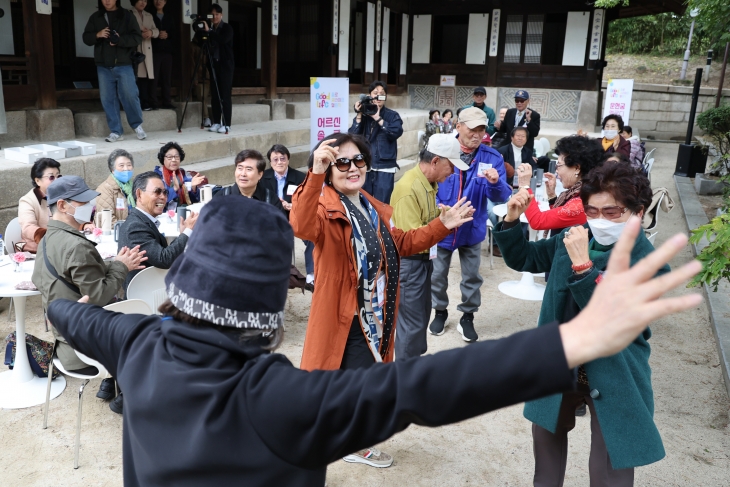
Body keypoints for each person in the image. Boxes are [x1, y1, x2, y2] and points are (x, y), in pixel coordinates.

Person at [46, 193, 702, 485]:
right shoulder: (275, 399)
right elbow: (420, 385)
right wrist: (576, 338)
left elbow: (75, 318)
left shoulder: (135, 344)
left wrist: (69, 307)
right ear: (267, 309)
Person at [290, 132, 474, 467]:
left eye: (358, 160)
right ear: (329, 171)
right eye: (340, 162)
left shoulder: (370, 205)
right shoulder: (325, 205)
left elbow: (401, 243)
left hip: (374, 314)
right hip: (344, 315)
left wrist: (441, 225)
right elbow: (301, 225)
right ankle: (352, 444)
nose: (351, 167)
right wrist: (315, 171)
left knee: (350, 381)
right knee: (362, 384)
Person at [494, 162, 664, 487]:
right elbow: (525, 259)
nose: (599, 219)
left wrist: (584, 266)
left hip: (615, 372)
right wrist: (512, 219)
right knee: (546, 449)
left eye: (612, 211)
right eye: (592, 210)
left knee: (610, 466)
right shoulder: (572, 238)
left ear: (637, 211)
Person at [31, 175, 146, 411]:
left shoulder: (47, 238)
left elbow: (47, 279)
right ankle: (132, 397)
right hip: (84, 348)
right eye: (83, 202)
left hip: (64, 339)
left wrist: (114, 264)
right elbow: (99, 295)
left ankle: (112, 385)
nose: (91, 206)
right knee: (145, 330)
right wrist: (122, 266)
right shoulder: (76, 245)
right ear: (62, 205)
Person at [429, 107, 512, 342]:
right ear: (458, 126)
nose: (477, 134)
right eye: (472, 128)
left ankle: (467, 316)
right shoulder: (441, 150)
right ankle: (440, 311)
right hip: (442, 225)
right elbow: (428, 182)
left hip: (472, 227)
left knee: (471, 276)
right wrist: (439, 209)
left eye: (481, 129)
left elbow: (501, 196)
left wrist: (495, 183)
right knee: (437, 275)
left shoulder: (492, 158)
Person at [390, 134, 469, 360]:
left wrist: (446, 215)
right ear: (435, 161)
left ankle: (413, 369)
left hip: (423, 263)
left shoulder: (428, 184)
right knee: (412, 324)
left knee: (421, 317)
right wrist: (443, 224)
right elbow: (409, 241)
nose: (452, 172)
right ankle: (404, 379)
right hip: (410, 264)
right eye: (450, 165)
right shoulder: (408, 188)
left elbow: (425, 221)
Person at [117, 171, 198, 291]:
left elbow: (161, 254)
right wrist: (188, 231)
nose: (163, 197)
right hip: (145, 297)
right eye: (157, 192)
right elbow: (164, 259)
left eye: (165, 192)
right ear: (139, 194)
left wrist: (182, 235)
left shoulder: (141, 221)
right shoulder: (135, 226)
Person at [82, 0, 146, 142]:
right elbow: (86, 37)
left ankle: (137, 125)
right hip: (103, 65)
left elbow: (137, 37)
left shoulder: (126, 15)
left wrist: (120, 40)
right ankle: (116, 131)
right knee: (107, 99)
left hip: (123, 63)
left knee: (129, 95)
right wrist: (97, 35)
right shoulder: (96, 16)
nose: (107, 1)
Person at [514, 135, 604, 236]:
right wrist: (552, 197)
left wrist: (525, 186)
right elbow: (561, 218)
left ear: (577, 168)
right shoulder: (584, 191)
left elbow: (538, 221)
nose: (557, 171)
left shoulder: (581, 203)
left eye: (559, 165)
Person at [261, 144, 314, 287]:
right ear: (270, 162)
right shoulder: (262, 177)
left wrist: (294, 206)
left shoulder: (300, 177)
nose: (279, 162)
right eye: (275, 159)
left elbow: (309, 201)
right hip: (272, 218)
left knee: (312, 235)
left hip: (295, 216)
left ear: (288, 160)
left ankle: (311, 274)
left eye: (282, 159)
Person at [18, 159, 93, 253]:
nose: (57, 180)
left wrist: (84, 225)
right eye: (51, 177)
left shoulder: (62, 194)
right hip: (39, 247)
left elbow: (71, 215)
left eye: (59, 176)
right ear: (37, 180)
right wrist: (54, 237)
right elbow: (28, 227)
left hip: (64, 242)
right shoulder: (27, 200)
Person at [348, 80, 404, 204]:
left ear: (386, 97)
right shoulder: (364, 115)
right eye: (375, 93)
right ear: (369, 95)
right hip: (365, 166)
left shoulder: (392, 116)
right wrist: (359, 115)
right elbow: (352, 137)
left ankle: (382, 224)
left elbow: (396, 132)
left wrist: (378, 118)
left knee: (382, 205)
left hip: (385, 168)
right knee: (363, 203)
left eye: (382, 93)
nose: (378, 96)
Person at [215, 150, 284, 213]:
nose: (243, 174)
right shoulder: (221, 197)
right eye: (240, 168)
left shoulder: (270, 200)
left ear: (260, 174)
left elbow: (281, 225)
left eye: (249, 169)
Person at [203, 3, 234, 134]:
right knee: (215, 95)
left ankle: (227, 124)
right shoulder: (209, 29)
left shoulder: (227, 28)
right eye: (212, 15)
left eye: (217, 14)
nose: (214, 17)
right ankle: (216, 122)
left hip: (225, 65)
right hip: (213, 65)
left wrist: (209, 31)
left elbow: (223, 40)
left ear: (221, 15)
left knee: (225, 95)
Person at [154, 142, 207, 211]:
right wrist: (174, 189)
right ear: (163, 159)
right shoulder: (156, 176)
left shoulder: (183, 174)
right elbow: (157, 203)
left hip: (182, 210)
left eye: (176, 157)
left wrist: (193, 188)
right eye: (169, 157)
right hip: (163, 214)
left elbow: (194, 200)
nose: (174, 160)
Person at [131, 0, 158, 111]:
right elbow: (126, 29)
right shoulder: (128, 13)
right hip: (134, 48)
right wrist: (139, 29)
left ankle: (145, 102)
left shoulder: (148, 15)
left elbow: (156, 29)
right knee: (135, 77)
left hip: (146, 49)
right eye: (140, 0)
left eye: (145, 1)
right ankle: (138, 103)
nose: (143, 3)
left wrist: (151, 32)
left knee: (145, 78)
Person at [96, 149, 136, 224]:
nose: (126, 169)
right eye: (121, 165)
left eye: (129, 165)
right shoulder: (104, 189)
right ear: (112, 170)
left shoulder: (135, 185)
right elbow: (108, 221)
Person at [151, 0, 175, 110]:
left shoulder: (169, 17)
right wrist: (156, 35)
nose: (158, 1)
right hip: (154, 51)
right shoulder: (150, 15)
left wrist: (167, 35)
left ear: (165, 2)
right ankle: (153, 102)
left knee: (166, 78)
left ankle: (167, 101)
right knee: (154, 78)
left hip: (167, 51)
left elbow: (175, 33)